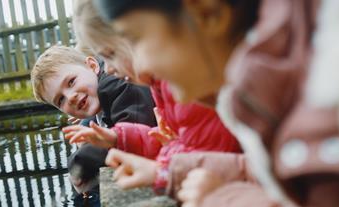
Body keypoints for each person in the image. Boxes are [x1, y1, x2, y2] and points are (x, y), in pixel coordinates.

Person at [96, 0, 339, 207]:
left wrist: (218, 203)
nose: (142, 68)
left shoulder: (328, 98)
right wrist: (169, 174)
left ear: (209, 13)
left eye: (136, 39)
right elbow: (269, 171)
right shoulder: (292, 76)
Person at [68, 0, 241, 194]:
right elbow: (181, 143)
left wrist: (160, 173)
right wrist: (120, 137)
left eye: (111, 53)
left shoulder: (185, 82)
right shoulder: (160, 85)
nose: (107, 68)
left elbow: (209, 155)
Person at [31, 45, 157, 194]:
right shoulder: (99, 98)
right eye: (60, 100)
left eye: (71, 82)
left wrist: (81, 160)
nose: (70, 97)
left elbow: (132, 135)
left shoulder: (117, 83)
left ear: (92, 66)